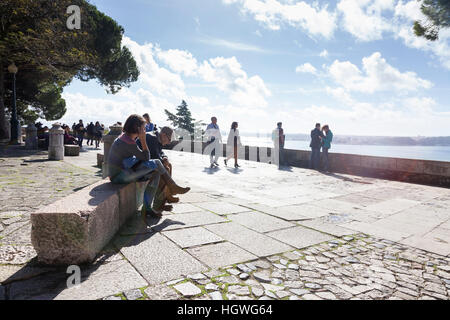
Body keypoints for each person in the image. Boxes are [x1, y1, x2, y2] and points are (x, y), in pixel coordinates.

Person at [107, 114, 190, 218]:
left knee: (156, 173)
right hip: (118, 176)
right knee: (157, 163)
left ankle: (147, 208)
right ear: (137, 128)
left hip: (124, 172)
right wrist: (142, 139)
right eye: (143, 128)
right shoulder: (127, 141)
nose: (145, 130)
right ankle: (172, 187)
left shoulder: (127, 138)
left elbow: (144, 157)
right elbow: (146, 157)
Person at [137, 126, 179, 212]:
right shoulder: (152, 138)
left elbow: (160, 152)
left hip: (145, 162)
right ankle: (160, 203)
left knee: (168, 165)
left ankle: (166, 195)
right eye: (169, 139)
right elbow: (154, 157)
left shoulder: (157, 138)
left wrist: (164, 157)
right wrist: (162, 160)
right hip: (139, 165)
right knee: (165, 169)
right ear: (163, 135)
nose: (169, 142)